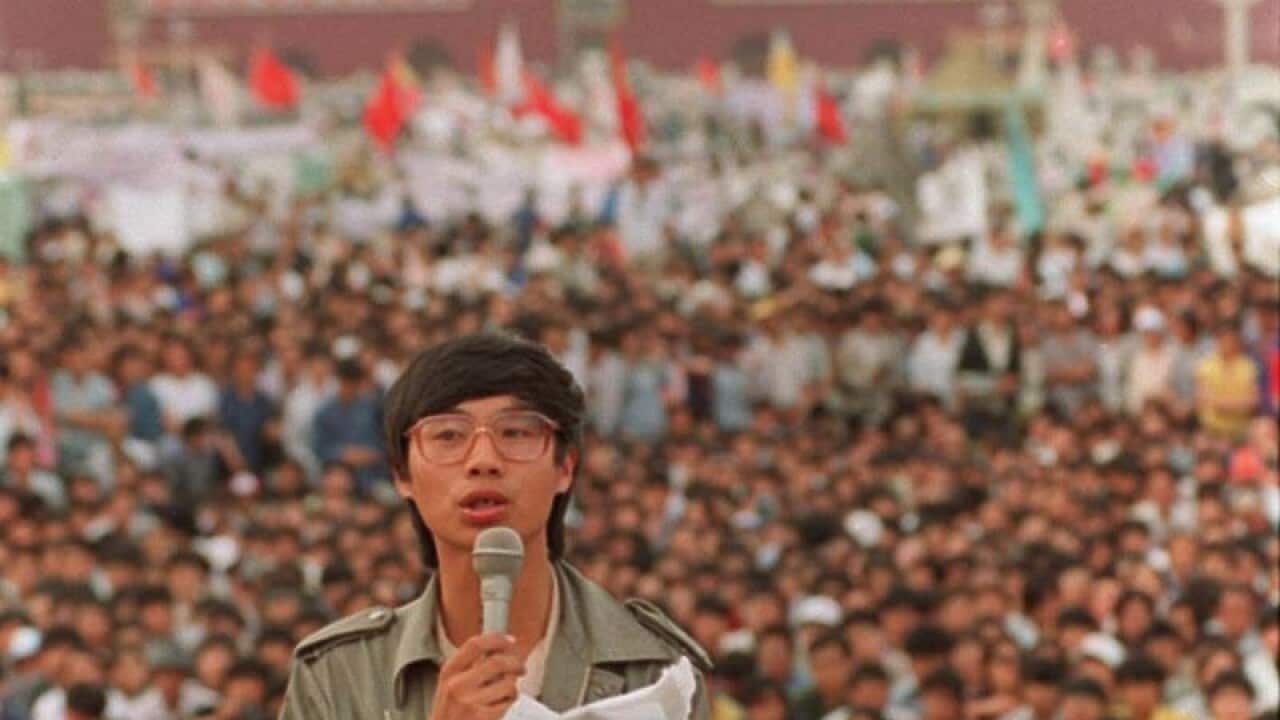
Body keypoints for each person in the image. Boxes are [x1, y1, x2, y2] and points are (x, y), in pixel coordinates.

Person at [280, 333, 711, 719]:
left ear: (565, 466)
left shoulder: (656, 670)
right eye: (448, 435)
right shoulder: (339, 676)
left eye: (517, 432)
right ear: (402, 475)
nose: (483, 460)